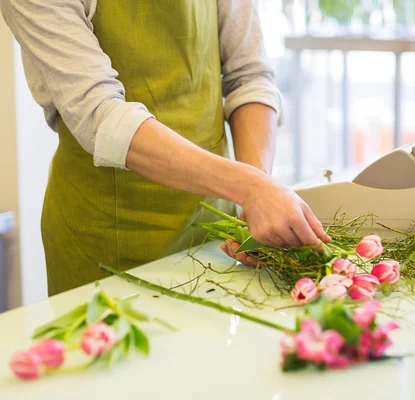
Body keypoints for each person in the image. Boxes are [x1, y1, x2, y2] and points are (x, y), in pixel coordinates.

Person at [1, 0, 330, 295]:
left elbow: (249, 75)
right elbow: (100, 115)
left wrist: (254, 203)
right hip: (105, 238)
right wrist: (251, 186)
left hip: (217, 229)